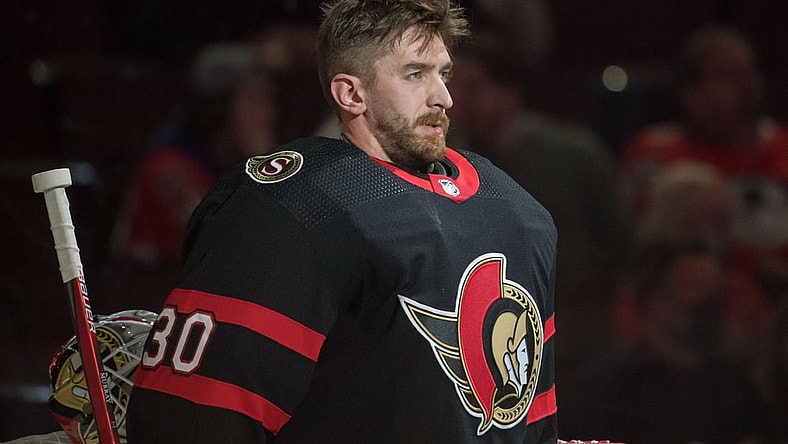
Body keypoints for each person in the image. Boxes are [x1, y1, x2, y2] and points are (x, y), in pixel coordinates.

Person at [126, 1, 558, 443]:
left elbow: (531, 423)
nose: (443, 97)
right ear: (351, 94)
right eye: (415, 74)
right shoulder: (294, 209)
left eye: (443, 73)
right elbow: (203, 417)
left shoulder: (520, 214)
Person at [447, 33, 626, 373]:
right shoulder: (450, 162)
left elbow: (619, 246)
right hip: (486, 326)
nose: (455, 101)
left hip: (573, 323)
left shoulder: (575, 154)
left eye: (472, 88)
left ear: (510, 91)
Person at [621, 24, 788, 301]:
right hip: (687, 302)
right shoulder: (657, 154)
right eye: (728, 75)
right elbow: (640, 254)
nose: (746, 85)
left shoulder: (783, 149)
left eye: (750, 71)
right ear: (691, 93)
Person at [111, 40, 280, 267]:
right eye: (255, 101)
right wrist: (265, 167)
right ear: (219, 109)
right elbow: (241, 256)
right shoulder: (170, 170)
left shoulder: (227, 165)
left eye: (268, 101)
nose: (268, 115)